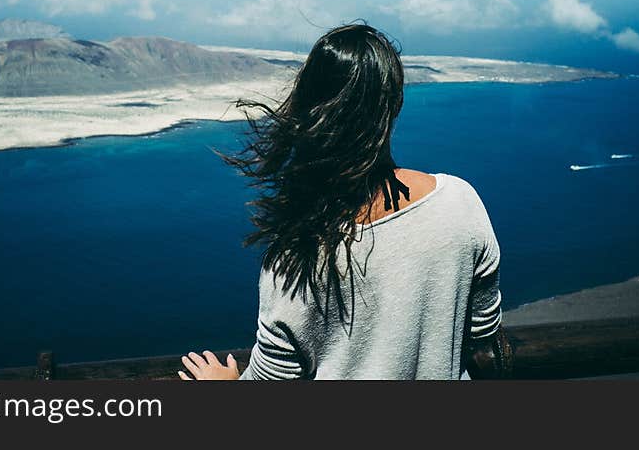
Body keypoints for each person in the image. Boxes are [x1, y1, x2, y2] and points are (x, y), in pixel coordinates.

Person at [178, 23, 512, 380]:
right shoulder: (460, 203)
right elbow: (484, 339)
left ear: (308, 106)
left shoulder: (297, 257)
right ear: (394, 104)